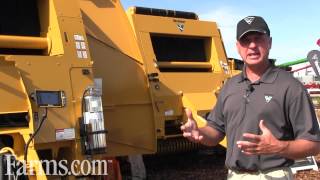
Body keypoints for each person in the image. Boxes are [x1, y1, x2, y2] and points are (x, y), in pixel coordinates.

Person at [181, 16, 320, 180]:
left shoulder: (290, 87)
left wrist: (279, 147)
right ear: (238, 47)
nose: (252, 45)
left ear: (270, 42)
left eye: (258, 38)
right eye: (246, 40)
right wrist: (200, 133)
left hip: (273, 175)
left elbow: (313, 144)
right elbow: (216, 131)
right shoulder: (230, 86)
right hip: (234, 176)